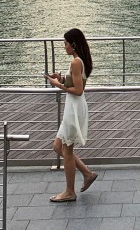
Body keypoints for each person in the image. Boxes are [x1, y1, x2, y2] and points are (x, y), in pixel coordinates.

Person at [47, 28, 97, 202]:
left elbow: (78, 90)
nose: (64, 47)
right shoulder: (79, 61)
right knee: (57, 146)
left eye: (66, 44)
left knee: (67, 150)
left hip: (74, 109)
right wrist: (61, 79)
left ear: (73, 44)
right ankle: (87, 173)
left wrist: (57, 85)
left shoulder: (76, 62)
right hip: (72, 107)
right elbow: (76, 82)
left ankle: (69, 192)